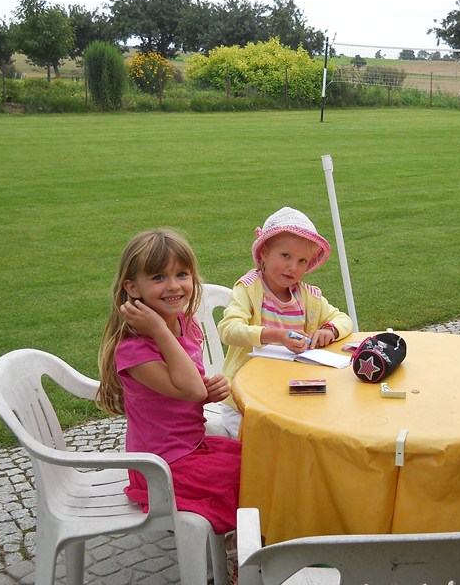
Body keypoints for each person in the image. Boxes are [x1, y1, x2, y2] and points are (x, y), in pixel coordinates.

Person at [97, 228, 241, 536]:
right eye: (159, 277)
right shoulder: (134, 350)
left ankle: (251, 539)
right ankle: (243, 548)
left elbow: (187, 390)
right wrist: (160, 330)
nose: (173, 285)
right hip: (162, 468)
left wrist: (209, 393)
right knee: (250, 479)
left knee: (264, 460)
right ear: (132, 287)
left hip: (191, 447)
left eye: (182, 274)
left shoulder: (184, 324)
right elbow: (190, 388)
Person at [217, 207, 354, 438]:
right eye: (286, 256)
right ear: (264, 252)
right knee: (259, 446)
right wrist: (275, 335)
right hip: (243, 399)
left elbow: (343, 319)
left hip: (290, 394)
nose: (293, 267)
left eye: (302, 261)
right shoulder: (249, 289)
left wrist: (329, 330)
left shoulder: (308, 297)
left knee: (312, 434)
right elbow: (228, 330)